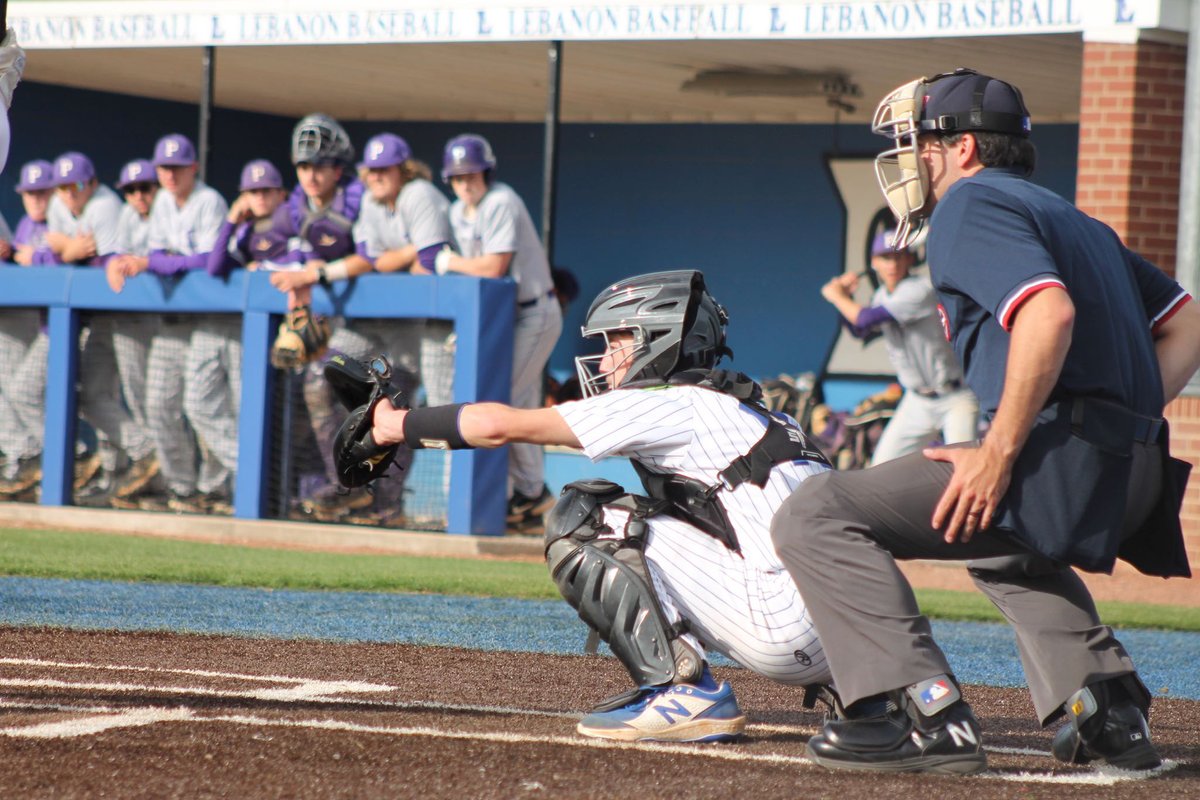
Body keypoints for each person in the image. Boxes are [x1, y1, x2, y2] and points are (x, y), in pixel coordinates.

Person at [771, 68, 1200, 775]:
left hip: (1061, 459)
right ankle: (1107, 709)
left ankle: (919, 712)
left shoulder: (970, 205)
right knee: (995, 540)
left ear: (964, 148)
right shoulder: (1076, 219)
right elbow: (1186, 322)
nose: (912, 160)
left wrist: (1001, 451)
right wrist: (1120, 418)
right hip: (1137, 470)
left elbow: (1048, 313)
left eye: (921, 143)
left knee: (814, 511)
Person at [340, 269, 832, 742]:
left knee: (587, 512)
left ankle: (682, 691)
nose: (601, 362)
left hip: (781, 626)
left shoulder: (673, 400)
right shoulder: (763, 412)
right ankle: (872, 700)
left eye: (615, 342)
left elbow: (499, 426)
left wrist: (391, 425)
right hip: (855, 634)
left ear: (655, 338)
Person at [436, 134, 563, 531]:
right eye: (457, 177)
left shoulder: (501, 200)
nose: (465, 182)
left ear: (486, 172)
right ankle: (529, 496)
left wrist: (448, 261)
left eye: (471, 173)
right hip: (503, 316)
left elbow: (493, 267)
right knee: (511, 403)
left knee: (503, 402)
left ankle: (530, 493)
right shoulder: (458, 212)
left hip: (534, 312)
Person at [108, 133, 232, 514]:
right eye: (165, 167)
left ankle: (217, 487)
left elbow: (208, 262)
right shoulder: (162, 200)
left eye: (178, 167)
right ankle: (182, 487)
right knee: (159, 405)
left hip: (211, 319)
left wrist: (158, 262)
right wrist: (154, 260)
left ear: (194, 167)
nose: (171, 174)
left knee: (204, 406)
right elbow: (159, 254)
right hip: (173, 322)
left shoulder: (208, 200)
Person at [820, 230, 978, 464]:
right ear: (874, 263)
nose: (893, 263)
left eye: (898, 256)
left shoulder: (920, 289)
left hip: (955, 397)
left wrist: (837, 297)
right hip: (917, 401)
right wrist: (845, 298)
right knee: (881, 467)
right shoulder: (882, 294)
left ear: (909, 259)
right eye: (885, 257)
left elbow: (865, 319)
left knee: (964, 468)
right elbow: (859, 331)